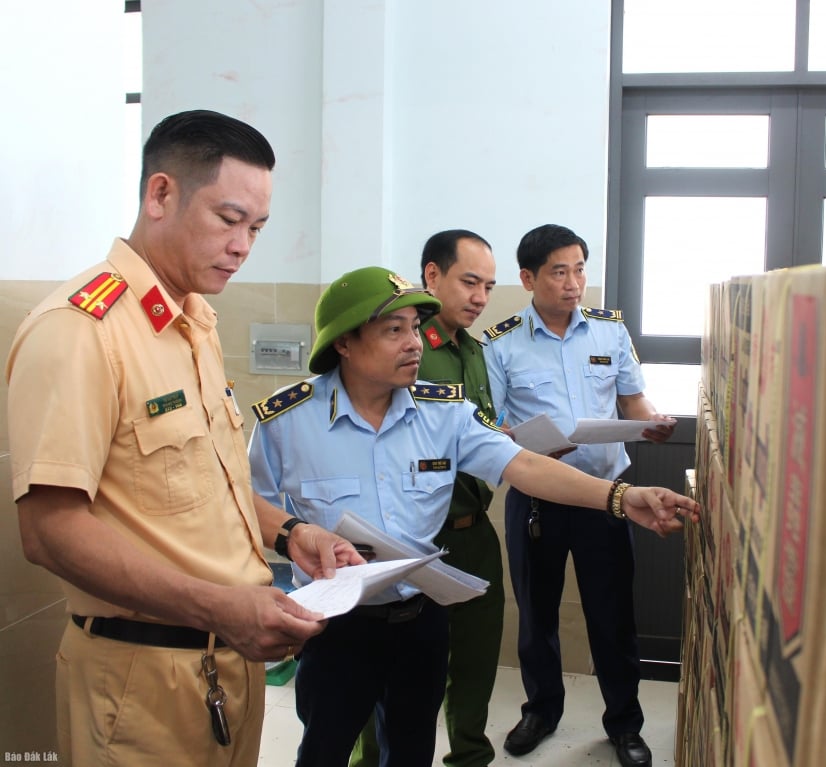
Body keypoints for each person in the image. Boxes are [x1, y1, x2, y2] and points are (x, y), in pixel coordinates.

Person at [5, 109, 362, 767]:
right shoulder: (81, 330)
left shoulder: (192, 321)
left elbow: (208, 481)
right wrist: (221, 605)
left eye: (256, 228)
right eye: (229, 220)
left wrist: (291, 534)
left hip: (225, 666)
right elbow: (49, 529)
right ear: (160, 194)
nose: (243, 245)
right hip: (139, 681)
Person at [247, 266, 697, 767]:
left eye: (416, 328)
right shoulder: (287, 422)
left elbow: (523, 465)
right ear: (344, 344)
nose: (414, 343)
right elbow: (247, 506)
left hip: (420, 618)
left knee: (412, 746)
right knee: (326, 749)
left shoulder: (444, 413)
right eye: (394, 331)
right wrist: (290, 544)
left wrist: (620, 496)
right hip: (336, 627)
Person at [482, 224, 676, 767]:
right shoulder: (500, 343)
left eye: (580, 269)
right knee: (536, 614)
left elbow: (633, 402)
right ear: (528, 278)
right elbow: (491, 425)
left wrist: (651, 422)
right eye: (559, 272)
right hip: (536, 502)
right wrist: (524, 446)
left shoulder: (609, 333)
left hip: (607, 499)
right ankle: (541, 711)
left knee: (612, 617)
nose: (574, 284)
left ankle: (625, 726)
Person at [351, 230, 502, 767]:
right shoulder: (398, 352)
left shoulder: (477, 353)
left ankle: (469, 754)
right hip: (414, 536)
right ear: (431, 276)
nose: (480, 297)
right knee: (389, 669)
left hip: (474, 531)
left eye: (488, 285)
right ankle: (371, 757)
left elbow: (480, 431)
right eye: (469, 282)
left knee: (477, 655)